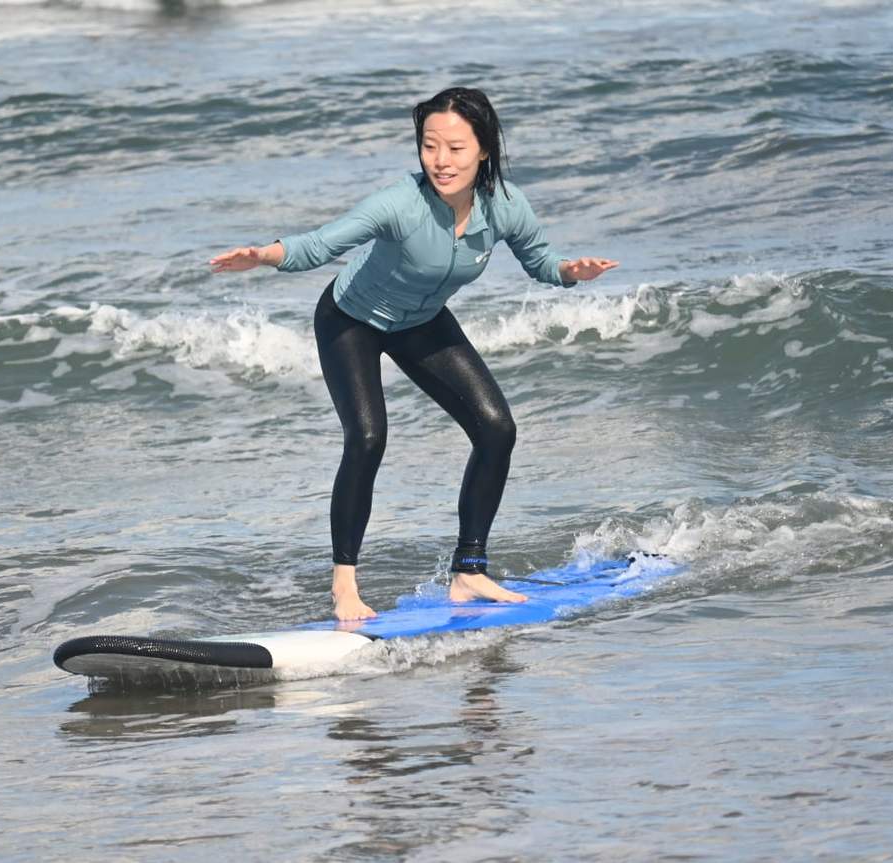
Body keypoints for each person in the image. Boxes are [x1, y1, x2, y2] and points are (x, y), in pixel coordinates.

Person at [210, 87, 617, 621]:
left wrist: (571, 272)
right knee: (368, 436)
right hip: (351, 319)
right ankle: (344, 585)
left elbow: (541, 261)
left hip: (420, 323)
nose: (441, 161)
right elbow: (323, 243)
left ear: (484, 150)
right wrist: (264, 255)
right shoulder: (400, 203)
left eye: (455, 148)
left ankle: (469, 571)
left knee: (496, 428)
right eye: (430, 147)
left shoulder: (506, 206)